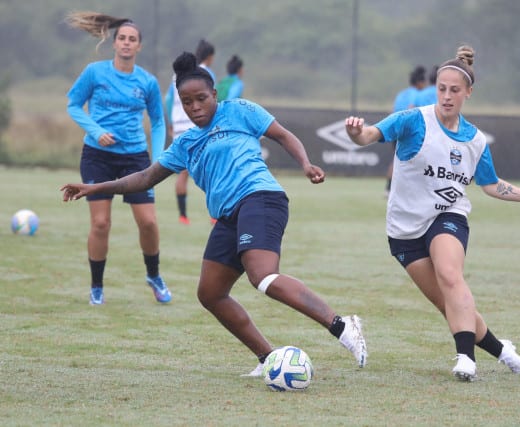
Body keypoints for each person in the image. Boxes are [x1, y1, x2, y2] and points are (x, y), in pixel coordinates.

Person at [61, 51, 367, 374]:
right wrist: (95, 188)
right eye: (187, 102)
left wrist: (305, 164)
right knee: (210, 293)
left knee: (262, 276)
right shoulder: (185, 143)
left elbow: (283, 136)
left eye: (201, 99)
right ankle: (268, 359)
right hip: (228, 216)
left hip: (260, 198)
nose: (195, 107)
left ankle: (342, 325)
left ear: (214, 95)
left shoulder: (240, 110)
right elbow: (144, 178)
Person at [345, 45, 520, 381]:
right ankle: (503, 350)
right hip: (404, 231)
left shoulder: (474, 141)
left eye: (454, 90)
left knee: (450, 275)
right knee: (450, 304)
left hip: (448, 215)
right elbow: (369, 135)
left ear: (468, 93)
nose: (446, 96)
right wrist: (356, 132)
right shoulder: (413, 120)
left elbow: (491, 185)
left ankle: (466, 358)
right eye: (441, 89)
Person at [65, 11, 171, 306]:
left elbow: (158, 122)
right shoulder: (94, 73)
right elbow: (73, 105)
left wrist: (159, 160)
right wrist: (95, 131)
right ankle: (97, 286)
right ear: (114, 44)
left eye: (132, 39)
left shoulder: (147, 82)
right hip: (97, 157)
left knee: (148, 222)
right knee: (101, 224)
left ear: (139, 46)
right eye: (122, 38)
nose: (126, 43)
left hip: (135, 159)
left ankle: (154, 275)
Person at [165, 39, 216, 224]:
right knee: (211, 170)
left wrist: (171, 121)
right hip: (198, 126)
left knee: (183, 173)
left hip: (178, 126)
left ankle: (183, 215)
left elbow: (168, 99)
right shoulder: (205, 74)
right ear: (210, 57)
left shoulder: (175, 76)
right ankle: (215, 215)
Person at [386, 66, 427, 195]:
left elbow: (393, 111)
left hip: (395, 129)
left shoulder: (401, 94)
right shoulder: (419, 94)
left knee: (397, 160)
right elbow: (412, 109)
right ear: (420, 83)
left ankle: (388, 188)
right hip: (409, 132)